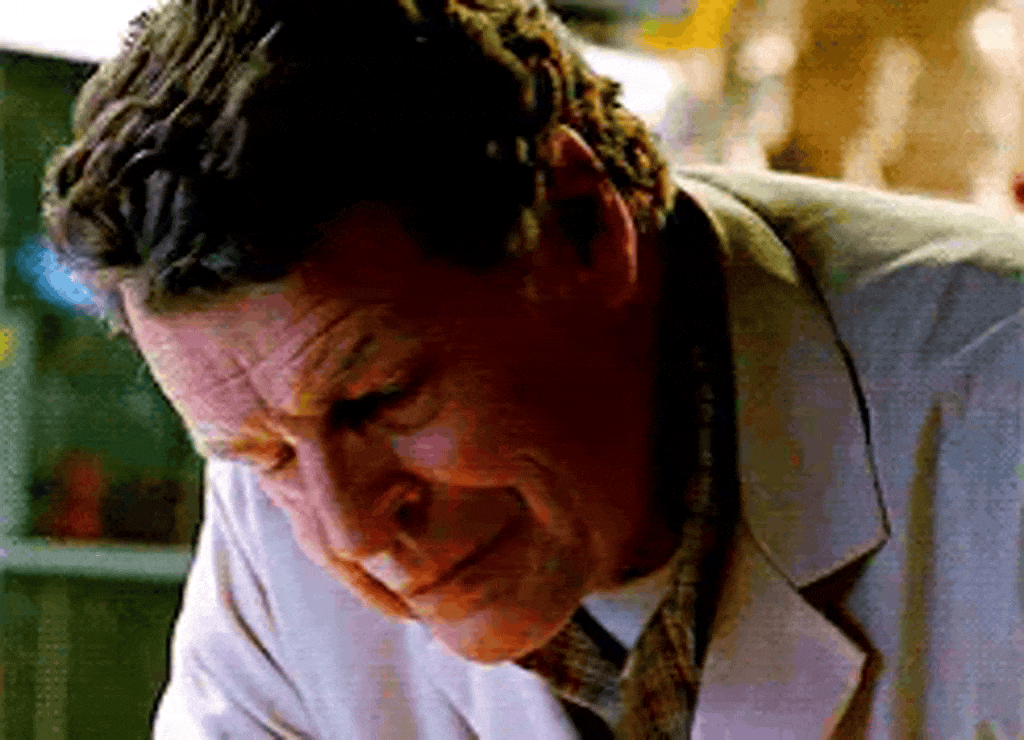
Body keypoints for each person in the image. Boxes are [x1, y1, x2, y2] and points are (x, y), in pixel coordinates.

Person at [42, 0, 1024, 737]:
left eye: (381, 399)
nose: (348, 531)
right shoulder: (286, 464)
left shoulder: (998, 415)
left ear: (584, 226)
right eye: (261, 454)